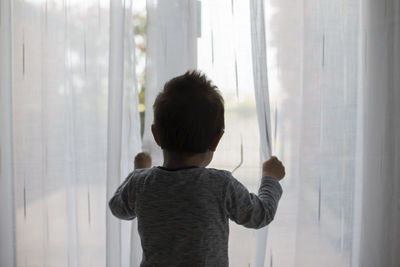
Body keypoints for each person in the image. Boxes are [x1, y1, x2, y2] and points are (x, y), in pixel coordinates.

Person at [109, 70, 285, 267]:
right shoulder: (221, 185)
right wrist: (271, 177)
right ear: (217, 139)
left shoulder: (141, 183)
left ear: (156, 135)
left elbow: (117, 208)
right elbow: (260, 215)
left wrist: (137, 172)